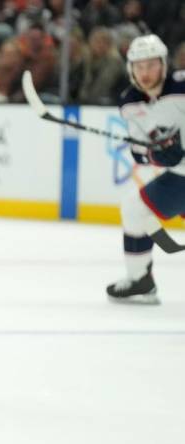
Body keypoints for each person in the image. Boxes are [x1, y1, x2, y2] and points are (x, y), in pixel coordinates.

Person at [106, 34, 185, 305]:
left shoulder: (182, 86)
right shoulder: (130, 102)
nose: (146, 72)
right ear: (131, 69)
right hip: (180, 177)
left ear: (164, 64)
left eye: (151, 65)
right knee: (134, 208)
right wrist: (157, 154)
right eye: (139, 66)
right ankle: (140, 279)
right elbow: (139, 150)